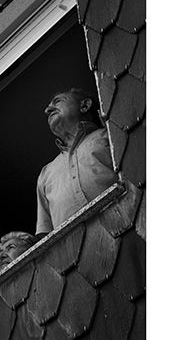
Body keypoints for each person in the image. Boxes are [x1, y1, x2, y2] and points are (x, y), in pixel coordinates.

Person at [36, 88, 117, 235]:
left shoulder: (108, 136)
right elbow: (44, 233)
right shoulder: (46, 173)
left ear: (85, 105)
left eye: (58, 101)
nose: (47, 110)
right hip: (75, 255)